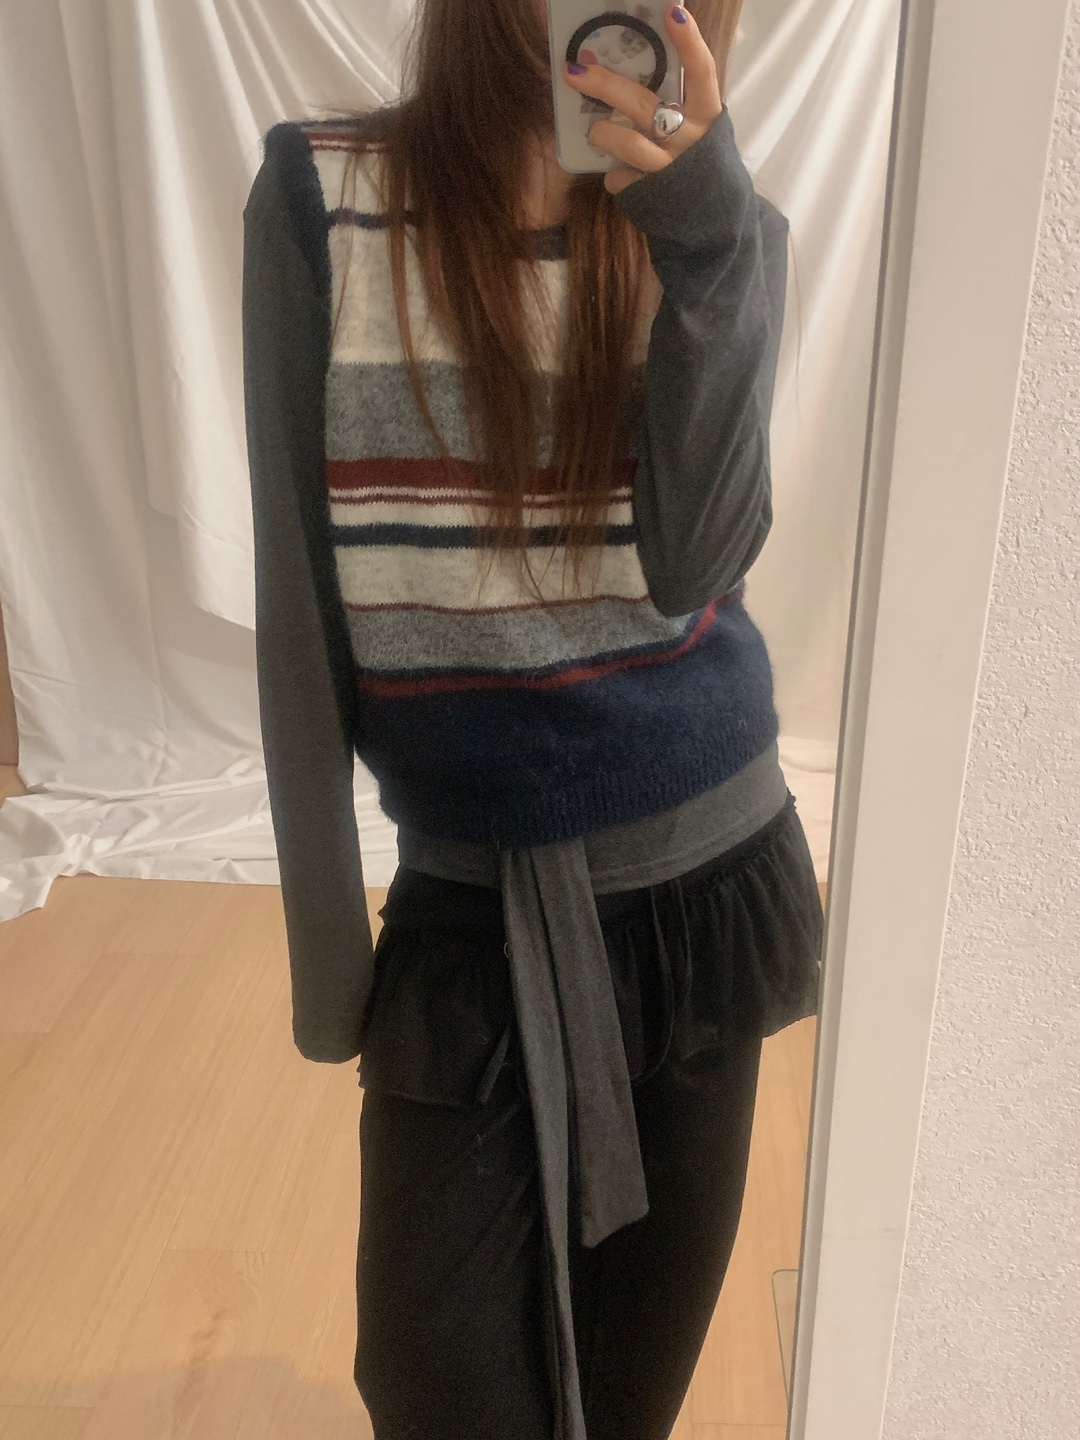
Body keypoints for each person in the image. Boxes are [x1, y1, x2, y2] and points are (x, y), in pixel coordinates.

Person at [241, 2, 823, 1437]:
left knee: (629, 1392)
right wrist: (328, 963)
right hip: (473, 905)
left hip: (707, 884)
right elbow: (298, 606)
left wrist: (707, 239)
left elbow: (699, 563)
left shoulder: (718, 225)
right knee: (434, 1384)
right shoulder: (322, 198)